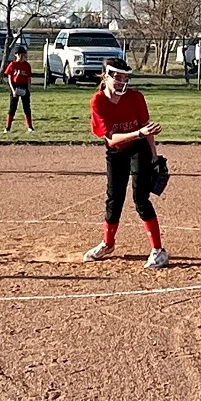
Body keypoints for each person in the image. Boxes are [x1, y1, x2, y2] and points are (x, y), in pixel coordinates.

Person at [84, 57, 168, 269]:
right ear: (106, 76)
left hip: (138, 149)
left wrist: (154, 156)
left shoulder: (136, 97)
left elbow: (146, 128)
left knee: (141, 198)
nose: (122, 81)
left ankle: (158, 251)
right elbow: (111, 139)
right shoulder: (98, 101)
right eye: (117, 77)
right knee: (114, 199)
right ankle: (108, 243)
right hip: (116, 151)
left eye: (125, 77)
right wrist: (139, 132)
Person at [3, 46, 34, 133]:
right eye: (20, 54)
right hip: (15, 86)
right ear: (16, 55)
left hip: (24, 86)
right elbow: (9, 78)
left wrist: (28, 90)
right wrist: (13, 90)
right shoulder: (13, 64)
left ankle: (30, 127)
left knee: (27, 108)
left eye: (23, 55)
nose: (21, 56)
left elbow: (28, 78)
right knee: (12, 108)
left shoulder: (27, 65)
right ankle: (7, 128)